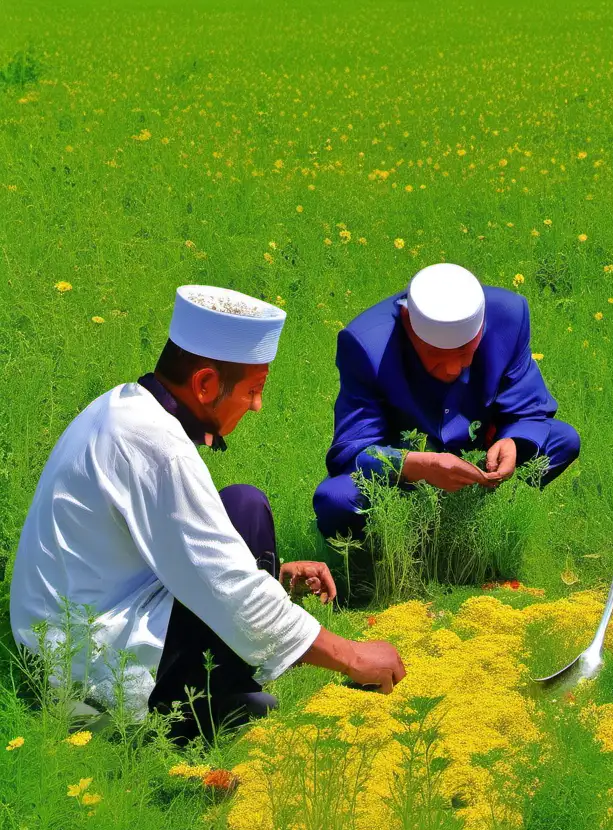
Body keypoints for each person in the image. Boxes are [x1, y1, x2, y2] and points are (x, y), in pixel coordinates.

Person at [11, 285, 405, 740]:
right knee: (243, 533)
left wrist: (272, 584)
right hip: (91, 678)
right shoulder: (158, 445)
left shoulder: (122, 405)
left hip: (74, 632)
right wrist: (353, 655)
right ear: (205, 384)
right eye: (254, 389)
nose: (257, 404)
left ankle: (225, 690)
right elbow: (229, 588)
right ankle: (183, 718)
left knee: (244, 505)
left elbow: (184, 549)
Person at [313, 263, 580, 539]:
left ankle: (483, 525)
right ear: (407, 322)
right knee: (337, 498)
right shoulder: (367, 345)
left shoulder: (509, 317)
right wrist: (420, 466)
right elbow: (351, 453)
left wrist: (512, 442)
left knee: (562, 440)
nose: (452, 369)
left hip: (478, 455)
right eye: (435, 355)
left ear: (482, 328)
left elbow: (530, 408)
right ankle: (396, 546)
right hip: (405, 472)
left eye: (465, 352)